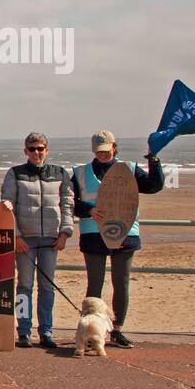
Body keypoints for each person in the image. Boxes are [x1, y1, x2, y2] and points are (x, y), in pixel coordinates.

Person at [71, 130, 164, 348]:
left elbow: (153, 186)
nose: (103, 154)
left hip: (125, 233)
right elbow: (69, 202)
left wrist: (154, 159)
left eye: (107, 150)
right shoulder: (80, 172)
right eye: (99, 151)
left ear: (115, 147)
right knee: (95, 283)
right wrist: (88, 209)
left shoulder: (130, 169)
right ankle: (91, 331)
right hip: (93, 234)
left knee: (121, 283)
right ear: (94, 150)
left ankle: (118, 329)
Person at [0, 132, 73, 348]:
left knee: (47, 287)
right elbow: (7, 205)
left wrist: (64, 233)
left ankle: (46, 331)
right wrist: (17, 237)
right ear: (26, 151)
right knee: (24, 286)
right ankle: (24, 331)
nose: (37, 153)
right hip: (25, 241)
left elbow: (67, 204)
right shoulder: (15, 173)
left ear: (46, 150)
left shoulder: (60, 173)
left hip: (51, 240)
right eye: (32, 149)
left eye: (40, 148)